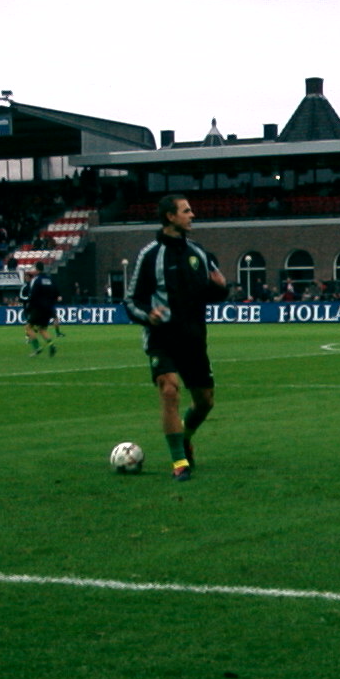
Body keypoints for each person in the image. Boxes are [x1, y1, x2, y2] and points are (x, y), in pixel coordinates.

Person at [124, 195, 228, 480]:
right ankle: (179, 462)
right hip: (163, 338)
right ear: (171, 217)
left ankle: (186, 435)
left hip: (194, 339)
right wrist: (149, 315)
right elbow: (131, 300)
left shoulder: (199, 252)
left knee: (205, 402)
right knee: (169, 390)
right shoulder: (150, 254)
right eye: (187, 211)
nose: (192, 215)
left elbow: (213, 292)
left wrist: (221, 288)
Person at [21, 267, 60, 357]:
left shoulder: (36, 280)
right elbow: (56, 293)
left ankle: (37, 348)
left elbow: (33, 294)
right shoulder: (50, 279)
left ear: (37, 270)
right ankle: (51, 345)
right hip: (49, 307)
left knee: (28, 327)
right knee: (42, 329)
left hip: (38, 307)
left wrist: (30, 306)